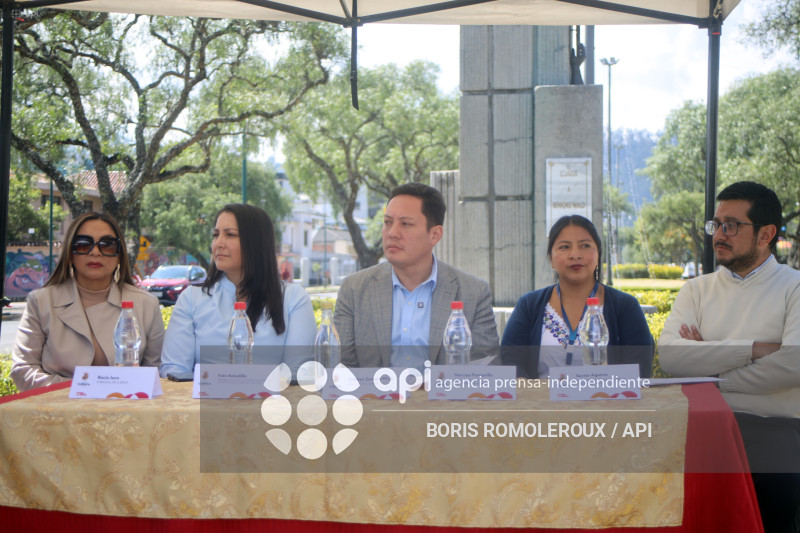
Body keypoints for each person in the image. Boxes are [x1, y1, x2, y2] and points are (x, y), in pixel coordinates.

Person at [659, 181, 800, 533]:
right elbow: (672, 357)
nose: (719, 234)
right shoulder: (696, 289)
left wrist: (707, 372)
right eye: (717, 224)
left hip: (773, 429)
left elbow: (792, 365)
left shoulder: (793, 287)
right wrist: (752, 349)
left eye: (731, 225)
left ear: (766, 233)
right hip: (700, 426)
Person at [334, 182, 499, 369]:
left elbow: (486, 371)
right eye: (388, 222)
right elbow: (340, 368)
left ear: (435, 235)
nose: (392, 233)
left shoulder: (473, 292)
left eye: (405, 224)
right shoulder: (354, 289)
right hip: (374, 397)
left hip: (446, 398)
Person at [11, 212, 165, 391]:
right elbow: (22, 370)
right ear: (70, 252)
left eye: (107, 245)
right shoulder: (41, 302)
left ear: (119, 255)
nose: (95, 252)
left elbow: (157, 373)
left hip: (126, 412)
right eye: (83, 244)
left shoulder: (146, 304)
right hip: (58, 412)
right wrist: (83, 388)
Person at [159, 204, 316, 376]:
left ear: (256, 242)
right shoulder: (191, 298)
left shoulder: (293, 298)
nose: (219, 243)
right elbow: (175, 370)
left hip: (270, 402)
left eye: (230, 235)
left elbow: (298, 373)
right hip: (205, 402)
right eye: (216, 235)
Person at [501, 215, 653, 379]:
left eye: (585, 246)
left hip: (604, 401)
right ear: (551, 259)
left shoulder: (625, 307)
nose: (575, 255)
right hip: (542, 403)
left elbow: (639, 369)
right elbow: (511, 364)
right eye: (564, 247)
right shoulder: (529, 306)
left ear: (598, 255)